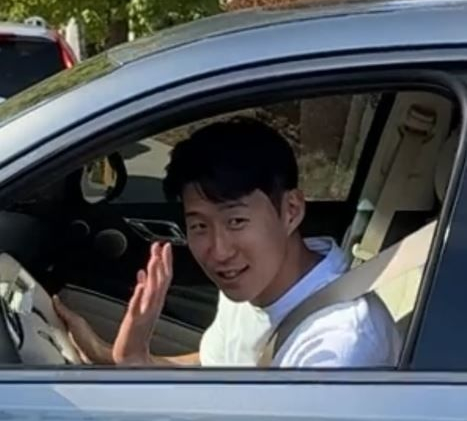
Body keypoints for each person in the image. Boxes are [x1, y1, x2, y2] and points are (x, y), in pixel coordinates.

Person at [53, 117, 401, 367]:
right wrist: (125, 358)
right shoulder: (255, 284)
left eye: (236, 221)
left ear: (291, 211)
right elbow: (216, 370)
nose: (218, 251)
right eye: (199, 225)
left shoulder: (339, 346)